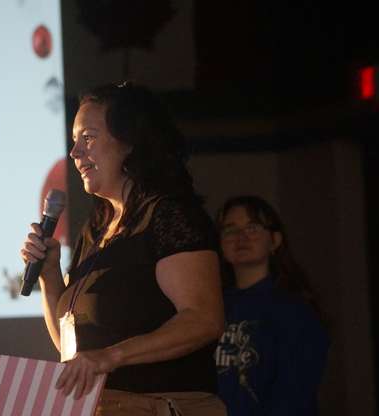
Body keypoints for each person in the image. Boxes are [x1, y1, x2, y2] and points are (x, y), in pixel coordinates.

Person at [20, 81, 226, 415]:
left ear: (130, 141)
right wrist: (49, 276)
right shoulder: (97, 229)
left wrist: (111, 356)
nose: (74, 154)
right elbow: (74, 352)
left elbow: (203, 320)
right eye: (74, 142)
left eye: (88, 138)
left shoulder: (168, 216)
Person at [214, 196, 329, 415]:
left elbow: (296, 390)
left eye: (253, 228)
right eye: (230, 230)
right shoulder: (213, 306)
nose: (241, 237)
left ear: (274, 240)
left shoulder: (295, 309)